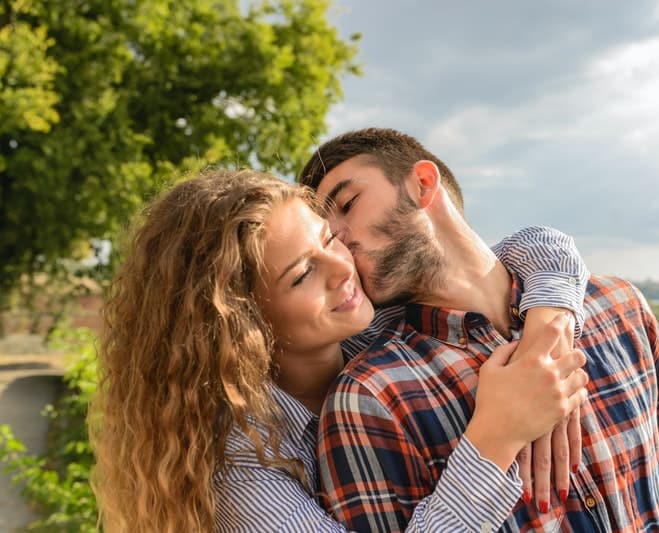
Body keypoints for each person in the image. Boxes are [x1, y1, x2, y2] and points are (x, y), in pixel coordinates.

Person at [89, 168, 592, 532]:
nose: (342, 268)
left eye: (330, 238)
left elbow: (535, 248)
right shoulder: (241, 467)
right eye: (303, 274)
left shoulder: (371, 325)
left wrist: (546, 333)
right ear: (242, 322)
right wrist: (495, 438)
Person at [300, 128, 659, 532]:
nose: (339, 239)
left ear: (423, 184)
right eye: (326, 236)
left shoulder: (620, 307)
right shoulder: (368, 399)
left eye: (348, 204)